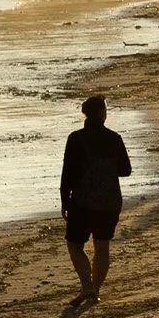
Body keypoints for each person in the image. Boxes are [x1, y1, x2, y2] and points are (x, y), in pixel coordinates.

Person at [60, 95, 131, 305]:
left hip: (82, 201)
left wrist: (64, 199)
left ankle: (87, 287)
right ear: (102, 114)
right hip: (110, 202)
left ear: (85, 114)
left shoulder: (76, 138)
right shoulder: (115, 138)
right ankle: (95, 291)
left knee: (74, 245)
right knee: (102, 247)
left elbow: (68, 172)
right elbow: (125, 170)